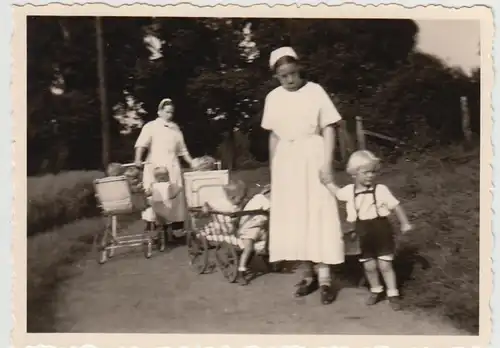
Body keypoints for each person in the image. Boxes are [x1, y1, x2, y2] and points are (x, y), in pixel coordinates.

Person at [260, 46, 344, 304]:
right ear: (276, 76)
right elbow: (274, 135)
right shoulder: (273, 97)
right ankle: (308, 275)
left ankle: (326, 278)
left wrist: (327, 163)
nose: (289, 80)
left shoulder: (315, 91)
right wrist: (275, 173)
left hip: (313, 154)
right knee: (296, 216)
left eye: (293, 73)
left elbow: (329, 127)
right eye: (283, 76)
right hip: (287, 160)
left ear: (299, 69)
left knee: (318, 212)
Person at [322, 150, 413, 310]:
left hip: (381, 230)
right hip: (362, 231)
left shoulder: (381, 189)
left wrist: (405, 223)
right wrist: (327, 181)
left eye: (373, 172)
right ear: (354, 174)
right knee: (369, 266)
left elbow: (396, 206)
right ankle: (376, 290)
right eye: (366, 172)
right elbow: (337, 193)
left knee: (385, 265)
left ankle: (393, 293)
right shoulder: (349, 191)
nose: (370, 175)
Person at [134, 98, 195, 239]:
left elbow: (183, 151)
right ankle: (153, 230)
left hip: (173, 167)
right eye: (167, 112)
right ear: (159, 112)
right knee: (155, 196)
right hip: (155, 166)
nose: (169, 114)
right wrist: (138, 158)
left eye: (171, 112)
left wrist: (192, 163)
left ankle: (176, 230)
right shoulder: (151, 126)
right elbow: (141, 144)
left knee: (175, 196)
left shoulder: (176, 128)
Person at [236, 184, 271, 285]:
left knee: (269, 240)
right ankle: (241, 271)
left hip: (259, 227)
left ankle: (266, 255)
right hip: (248, 228)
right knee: (248, 249)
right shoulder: (260, 199)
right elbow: (271, 209)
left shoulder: (263, 199)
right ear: (267, 192)